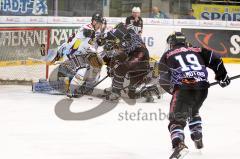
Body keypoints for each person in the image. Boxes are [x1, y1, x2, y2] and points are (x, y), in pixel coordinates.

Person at [159, 32, 230, 158]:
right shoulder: (197, 49)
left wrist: (173, 90)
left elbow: (163, 80)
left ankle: (178, 144)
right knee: (192, 110)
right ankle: (197, 134)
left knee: (176, 119)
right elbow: (216, 59)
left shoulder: (166, 55)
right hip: (202, 88)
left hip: (183, 88)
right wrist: (222, 76)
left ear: (171, 43)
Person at [55, 13, 105, 97]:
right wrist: (93, 50)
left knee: (95, 66)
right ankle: (72, 90)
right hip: (71, 54)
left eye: (101, 24)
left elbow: (91, 42)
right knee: (84, 68)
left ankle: (84, 87)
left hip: (75, 54)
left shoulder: (93, 30)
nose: (100, 25)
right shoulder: (88, 29)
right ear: (94, 22)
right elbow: (84, 42)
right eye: (99, 23)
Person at [103, 22, 150, 101]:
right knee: (131, 94)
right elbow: (124, 52)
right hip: (141, 58)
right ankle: (146, 91)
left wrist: (102, 37)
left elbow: (121, 51)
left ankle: (116, 92)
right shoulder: (130, 35)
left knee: (120, 68)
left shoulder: (122, 30)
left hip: (139, 55)